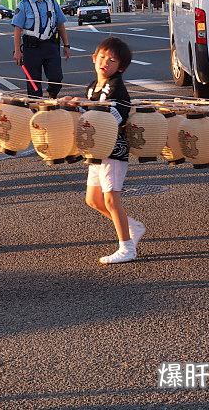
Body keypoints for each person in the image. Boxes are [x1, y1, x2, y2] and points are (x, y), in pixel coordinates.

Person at [62, 36, 145, 263]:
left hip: (114, 149)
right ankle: (131, 227)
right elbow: (90, 112)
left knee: (110, 198)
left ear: (121, 67)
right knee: (93, 200)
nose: (105, 63)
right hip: (96, 149)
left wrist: (85, 107)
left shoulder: (117, 87)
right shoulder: (92, 87)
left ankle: (127, 247)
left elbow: (115, 117)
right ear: (93, 58)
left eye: (112, 60)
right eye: (102, 57)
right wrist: (76, 104)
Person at [11, 0, 71, 98]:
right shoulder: (24, 4)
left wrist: (66, 45)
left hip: (51, 45)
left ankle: (52, 93)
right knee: (34, 84)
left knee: (56, 77)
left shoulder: (52, 2)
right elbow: (17, 29)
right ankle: (35, 111)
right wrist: (17, 50)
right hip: (31, 48)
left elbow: (60, 24)